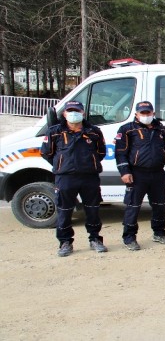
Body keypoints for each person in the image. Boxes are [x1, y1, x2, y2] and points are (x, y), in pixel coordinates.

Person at [40, 101, 107, 257]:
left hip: (89, 177)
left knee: (93, 210)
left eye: (76, 110)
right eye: (70, 110)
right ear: (64, 114)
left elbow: (101, 152)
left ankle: (95, 239)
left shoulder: (94, 132)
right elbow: (46, 153)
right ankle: (65, 242)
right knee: (64, 211)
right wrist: (61, 164)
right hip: (65, 178)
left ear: (83, 113)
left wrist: (90, 163)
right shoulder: (54, 132)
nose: (73, 113)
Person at [114, 101, 165, 250]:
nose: (146, 115)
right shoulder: (127, 129)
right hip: (137, 174)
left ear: (153, 113)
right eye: (142, 113)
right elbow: (120, 153)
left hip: (157, 173)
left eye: (148, 112)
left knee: (159, 205)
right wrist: (125, 172)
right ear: (136, 114)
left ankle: (159, 233)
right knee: (133, 206)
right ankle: (129, 237)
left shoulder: (161, 129)